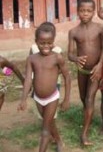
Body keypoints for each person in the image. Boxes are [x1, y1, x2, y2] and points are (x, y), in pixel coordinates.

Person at [18, 22, 71, 152]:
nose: (46, 46)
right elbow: (28, 81)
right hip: (37, 98)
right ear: (36, 42)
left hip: (52, 97)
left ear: (53, 41)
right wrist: (23, 99)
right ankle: (58, 140)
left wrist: (66, 99)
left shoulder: (57, 58)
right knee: (49, 121)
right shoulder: (31, 59)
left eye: (49, 43)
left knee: (45, 129)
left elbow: (67, 77)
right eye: (42, 43)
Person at [68, 0, 103, 146]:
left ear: (94, 12)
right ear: (78, 12)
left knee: (89, 98)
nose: (85, 14)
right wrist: (75, 59)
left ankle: (84, 134)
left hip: (95, 70)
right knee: (84, 98)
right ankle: (88, 115)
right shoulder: (73, 32)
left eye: (89, 11)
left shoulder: (99, 28)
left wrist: (100, 65)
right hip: (82, 71)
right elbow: (69, 54)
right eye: (82, 11)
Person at [30, 22, 63, 120]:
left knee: (51, 108)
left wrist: (50, 73)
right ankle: (47, 124)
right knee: (41, 109)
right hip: (37, 81)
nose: (46, 45)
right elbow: (30, 64)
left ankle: (50, 121)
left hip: (53, 82)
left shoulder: (58, 51)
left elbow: (61, 69)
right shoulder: (33, 48)